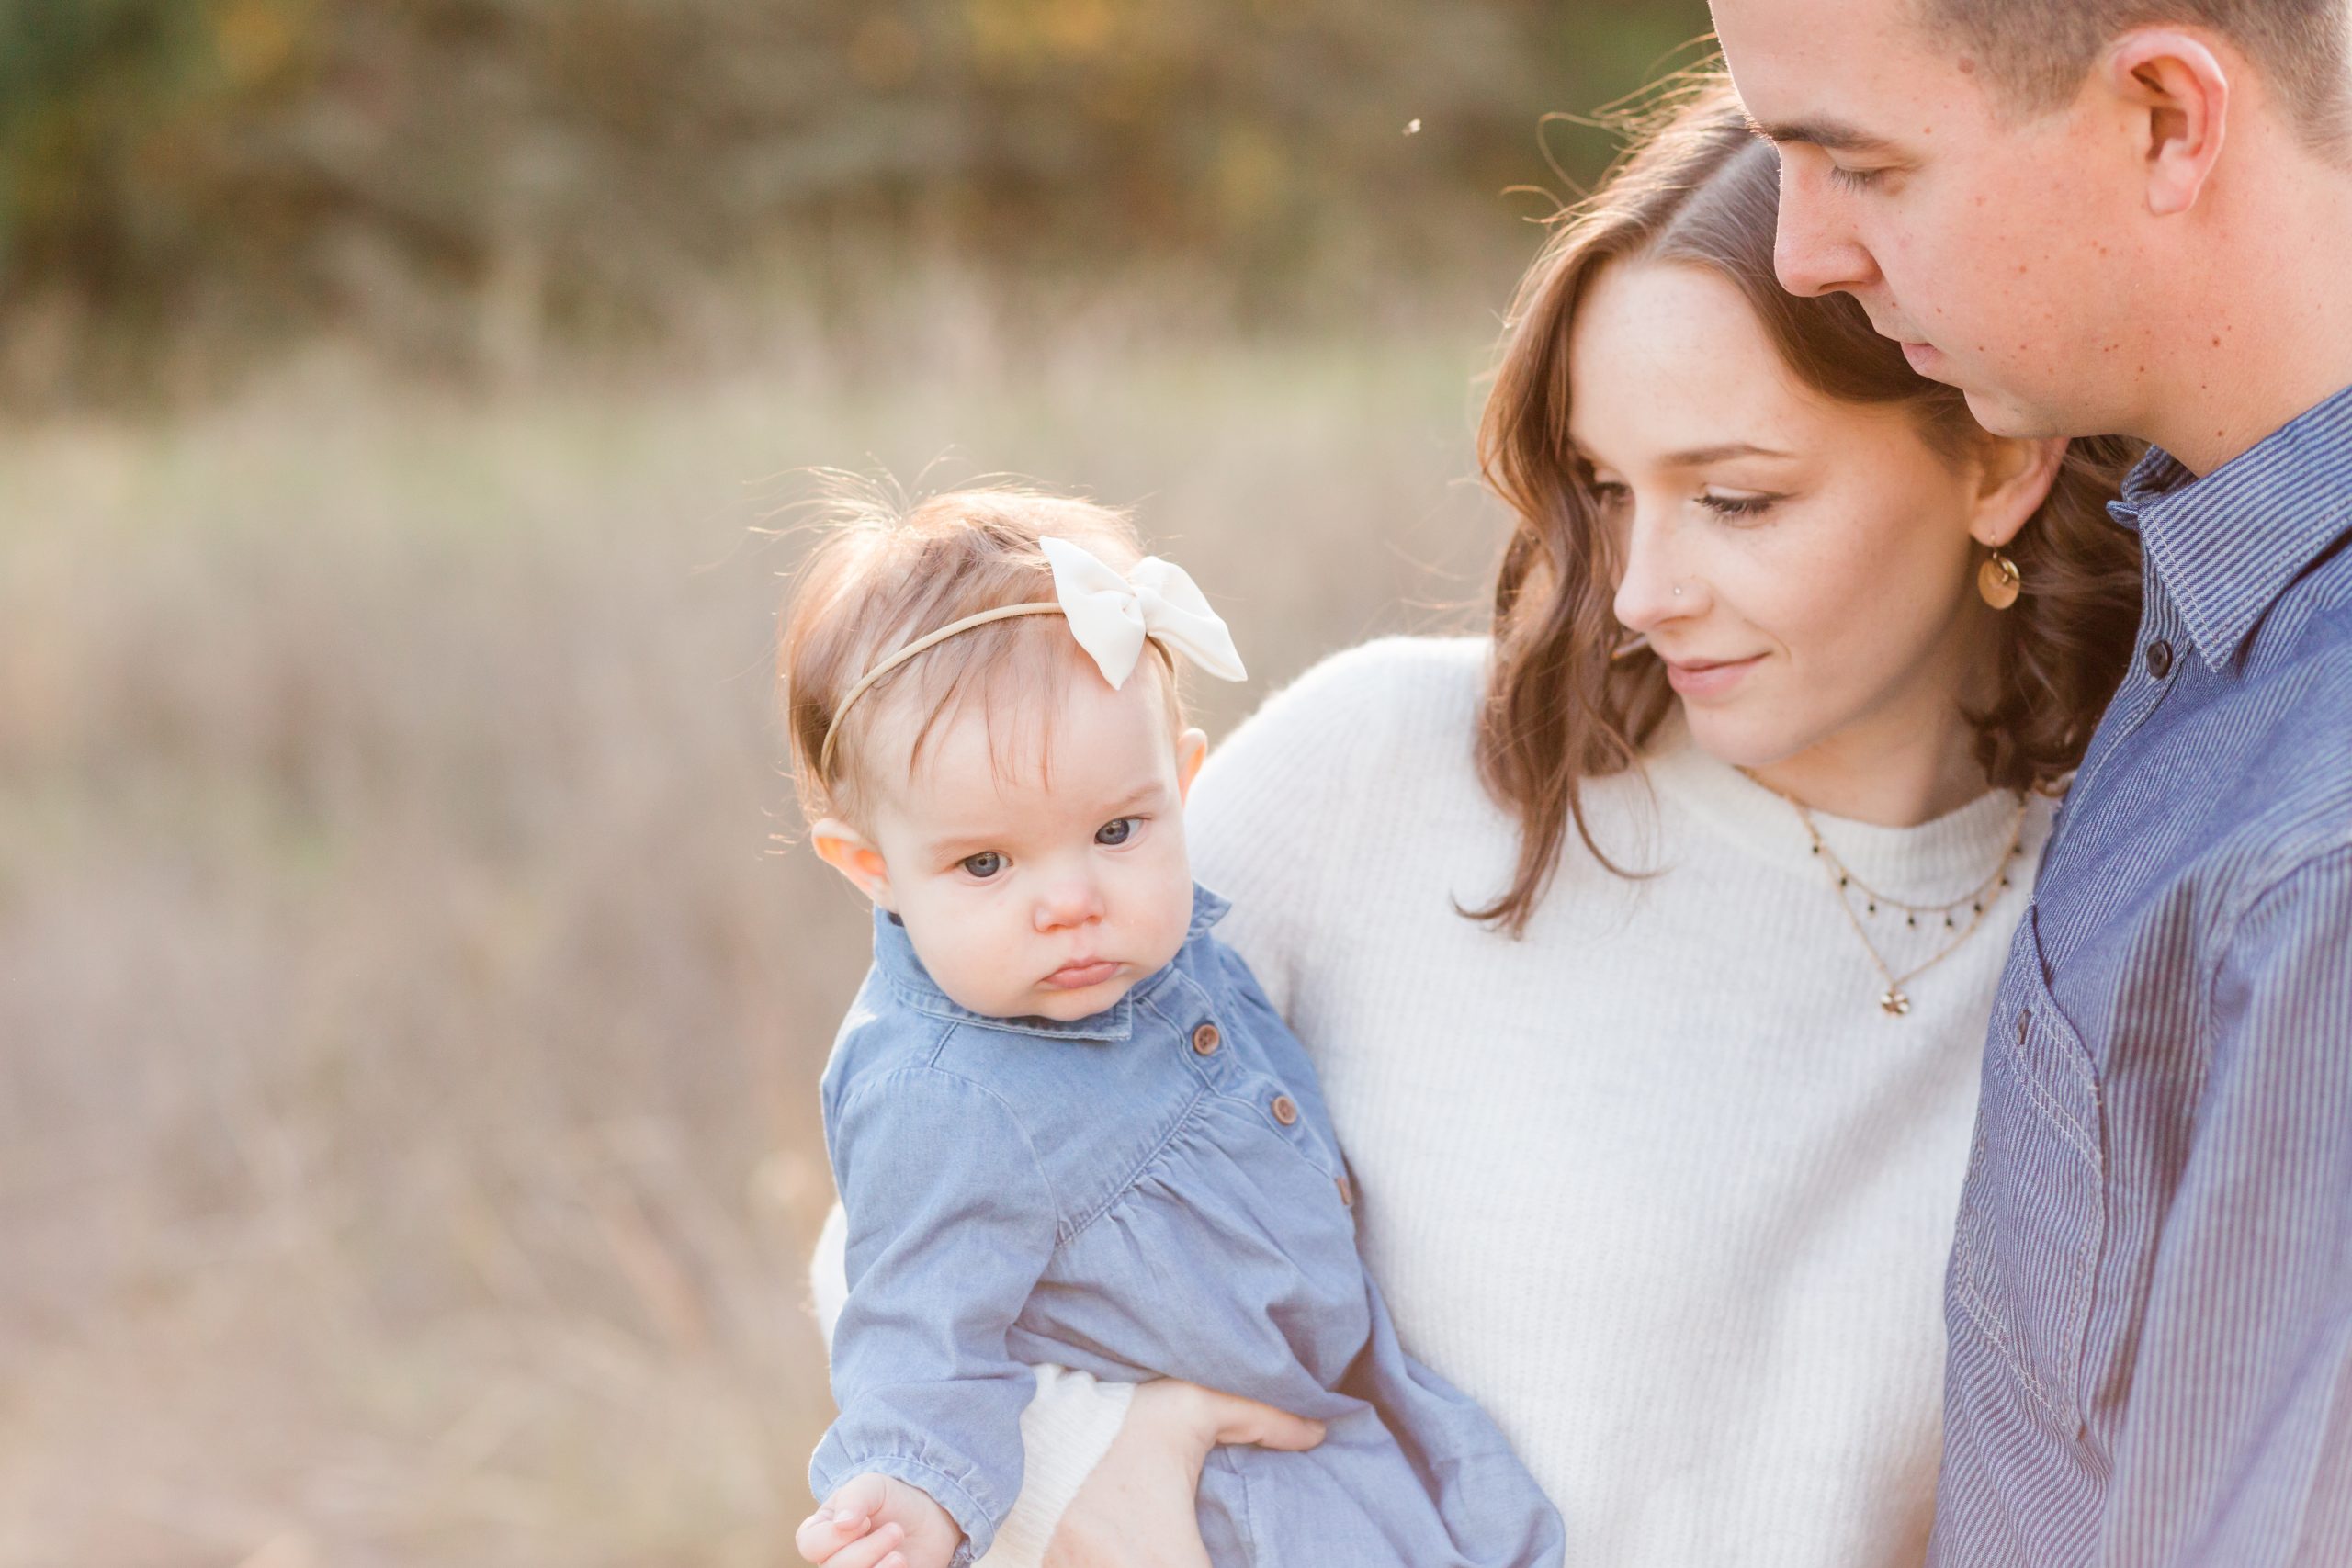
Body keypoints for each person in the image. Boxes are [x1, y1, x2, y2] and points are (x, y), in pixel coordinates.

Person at [808, 83, 2145, 1567]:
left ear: (1999, 459)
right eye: (1606, 488)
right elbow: (908, 1202)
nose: (1641, 590)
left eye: (1740, 499)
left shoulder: (2118, 934)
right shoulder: (1386, 765)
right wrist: (1090, 1483)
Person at [1709, 1, 2352, 1561]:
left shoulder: (2318, 840)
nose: (1803, 255)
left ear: (2162, 119)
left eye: (1859, 165)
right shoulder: (2208, 597)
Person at [779, 491, 1568, 1568]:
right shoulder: (944, 1093)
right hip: (1222, 1509)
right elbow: (921, 1326)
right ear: (874, 870)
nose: (1071, 900)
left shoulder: (1162, 952)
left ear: (1182, 786)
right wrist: (913, 1490)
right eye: (985, 863)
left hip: (1335, 1429)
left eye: (1116, 829)